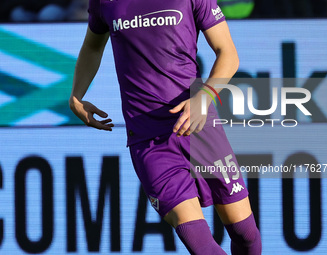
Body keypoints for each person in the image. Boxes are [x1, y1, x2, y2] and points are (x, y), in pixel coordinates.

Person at [69, 0, 262, 254]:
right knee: (200, 244)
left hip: (199, 125)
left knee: (245, 233)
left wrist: (203, 98)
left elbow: (228, 54)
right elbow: (93, 47)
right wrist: (76, 96)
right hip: (148, 139)